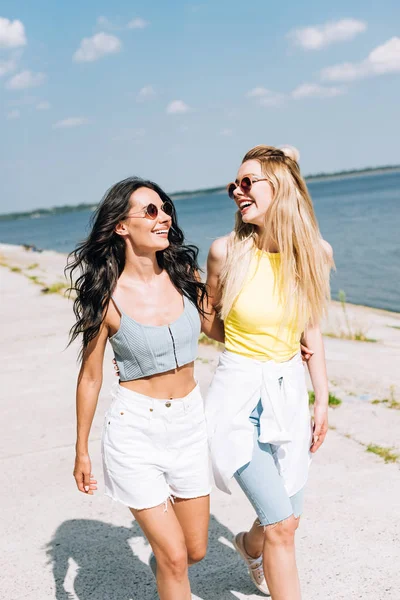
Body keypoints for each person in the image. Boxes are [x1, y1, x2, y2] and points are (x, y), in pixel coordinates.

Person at [66, 177, 223, 600]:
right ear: (121, 226)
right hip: (135, 430)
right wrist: (81, 448)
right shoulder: (106, 297)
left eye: (165, 208)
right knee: (173, 557)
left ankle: (168, 567)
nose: (164, 217)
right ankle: (168, 568)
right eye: (150, 210)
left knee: (194, 551)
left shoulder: (185, 276)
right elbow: (91, 376)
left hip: (190, 424)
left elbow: (219, 330)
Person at [205, 145, 333, 599]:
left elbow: (311, 326)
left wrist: (321, 395)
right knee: (282, 524)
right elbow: (209, 319)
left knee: (286, 516)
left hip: (289, 395)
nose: (237, 192)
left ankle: (245, 545)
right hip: (236, 398)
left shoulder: (313, 253)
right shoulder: (225, 252)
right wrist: (252, 344)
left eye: (247, 182)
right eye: (233, 185)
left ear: (280, 188)